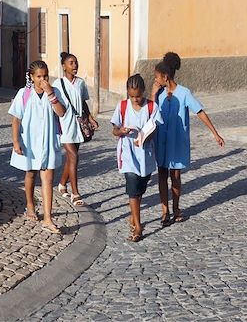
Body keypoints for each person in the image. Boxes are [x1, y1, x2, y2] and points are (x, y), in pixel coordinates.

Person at [153, 52, 224, 226]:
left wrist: (215, 133)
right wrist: (153, 95)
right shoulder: (159, 93)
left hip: (177, 141)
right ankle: (164, 211)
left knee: (175, 175)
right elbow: (149, 113)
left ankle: (176, 208)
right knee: (162, 175)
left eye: (156, 77)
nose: (155, 80)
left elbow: (199, 111)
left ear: (165, 76)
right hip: (161, 140)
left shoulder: (184, 93)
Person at [9, 60, 67, 235]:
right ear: (32, 77)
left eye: (45, 76)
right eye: (39, 76)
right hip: (30, 141)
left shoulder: (54, 92)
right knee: (30, 173)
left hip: (48, 141)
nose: (43, 79)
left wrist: (51, 94)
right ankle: (30, 205)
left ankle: (48, 219)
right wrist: (16, 141)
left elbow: (61, 112)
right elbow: (16, 119)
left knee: (48, 178)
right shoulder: (24, 94)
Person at [111, 74, 162, 242]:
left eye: (138, 95)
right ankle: (138, 226)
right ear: (127, 93)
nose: (135, 99)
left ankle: (134, 214)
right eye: (132, 96)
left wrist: (145, 136)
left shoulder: (151, 107)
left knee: (141, 188)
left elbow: (155, 128)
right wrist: (121, 131)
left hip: (145, 155)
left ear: (144, 91)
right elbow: (114, 129)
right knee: (132, 189)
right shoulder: (123, 106)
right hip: (128, 155)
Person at [54, 52, 99, 207]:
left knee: (72, 157)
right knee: (73, 156)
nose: (75, 66)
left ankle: (61, 184)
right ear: (64, 66)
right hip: (65, 125)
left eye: (76, 62)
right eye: (71, 63)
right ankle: (75, 193)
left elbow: (83, 102)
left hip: (79, 124)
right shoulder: (57, 85)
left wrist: (90, 118)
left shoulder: (80, 83)